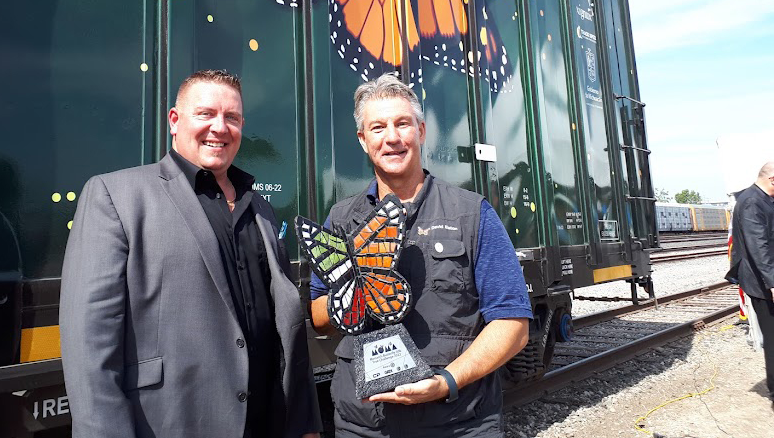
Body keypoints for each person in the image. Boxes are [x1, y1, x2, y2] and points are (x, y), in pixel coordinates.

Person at [60, 70, 321, 438]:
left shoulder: (259, 206)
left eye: (231, 117)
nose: (220, 127)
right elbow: (90, 349)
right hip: (173, 422)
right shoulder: (115, 196)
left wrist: (303, 421)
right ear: (174, 120)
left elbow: (284, 325)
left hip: (266, 422)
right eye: (205, 114)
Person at [310, 73, 531, 438]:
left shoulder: (471, 214)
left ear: (422, 131)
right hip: (363, 426)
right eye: (377, 127)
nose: (392, 137)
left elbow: (513, 323)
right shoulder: (342, 219)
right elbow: (318, 315)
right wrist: (355, 293)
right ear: (363, 141)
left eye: (402, 124)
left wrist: (446, 381)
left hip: (458, 423)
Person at [726, 161, 774, 403]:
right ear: (772, 179)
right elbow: (759, 246)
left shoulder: (761, 199)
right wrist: (772, 283)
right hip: (762, 283)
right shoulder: (752, 201)